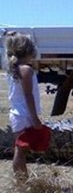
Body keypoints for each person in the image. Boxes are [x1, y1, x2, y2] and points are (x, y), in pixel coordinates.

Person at [3, 31, 50, 180]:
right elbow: (28, 95)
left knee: (21, 149)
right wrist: (35, 118)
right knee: (21, 150)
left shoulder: (13, 69)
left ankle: (22, 181)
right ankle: (22, 183)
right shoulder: (26, 70)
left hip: (18, 114)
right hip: (24, 115)